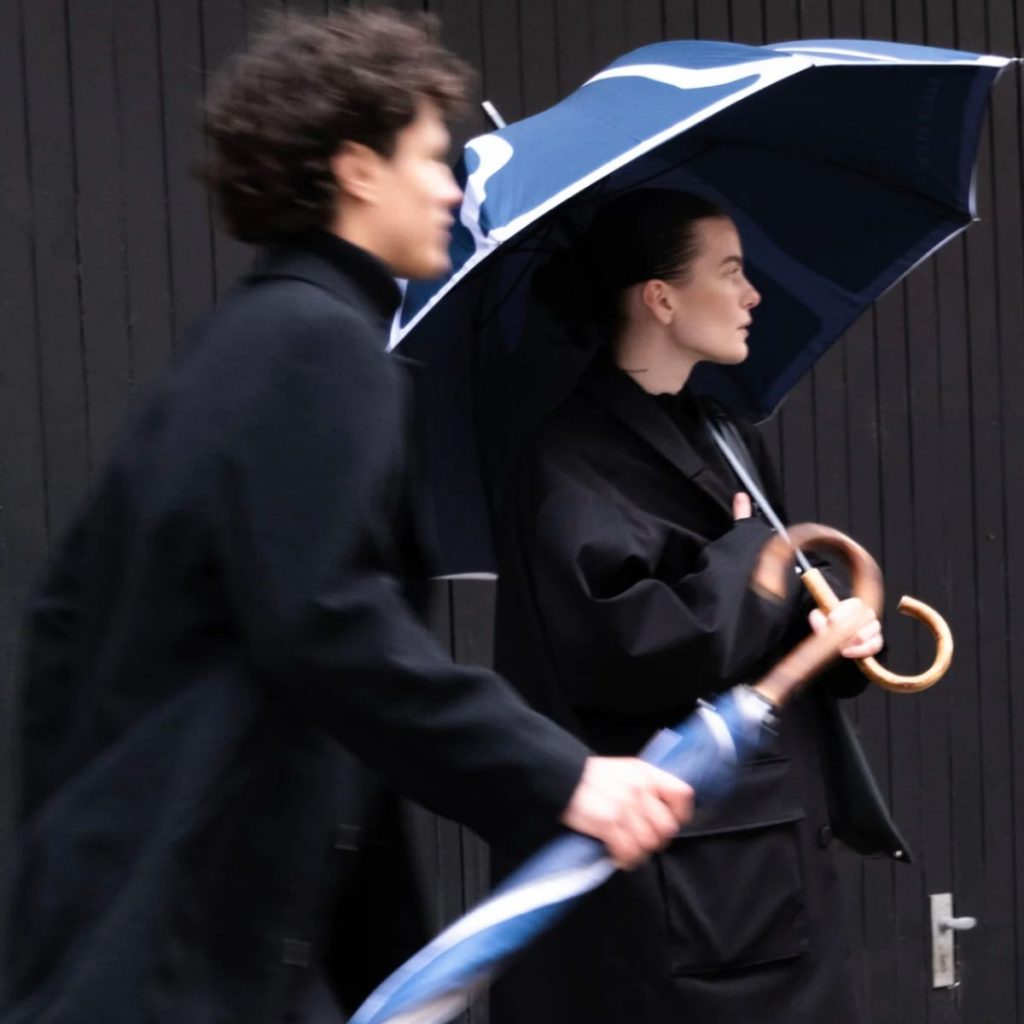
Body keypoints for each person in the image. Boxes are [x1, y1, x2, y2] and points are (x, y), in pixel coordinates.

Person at [0, 17, 694, 1024]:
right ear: (357, 169)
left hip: (168, 937)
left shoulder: (238, 351)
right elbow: (329, 623)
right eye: (429, 157)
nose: (453, 187)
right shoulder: (317, 352)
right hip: (189, 954)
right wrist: (567, 776)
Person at [488, 189, 910, 1024]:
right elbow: (628, 649)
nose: (754, 295)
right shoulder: (570, 458)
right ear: (660, 298)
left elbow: (770, 611)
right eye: (731, 273)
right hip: (686, 894)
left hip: (770, 864)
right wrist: (752, 557)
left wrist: (829, 631)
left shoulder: (721, 431)